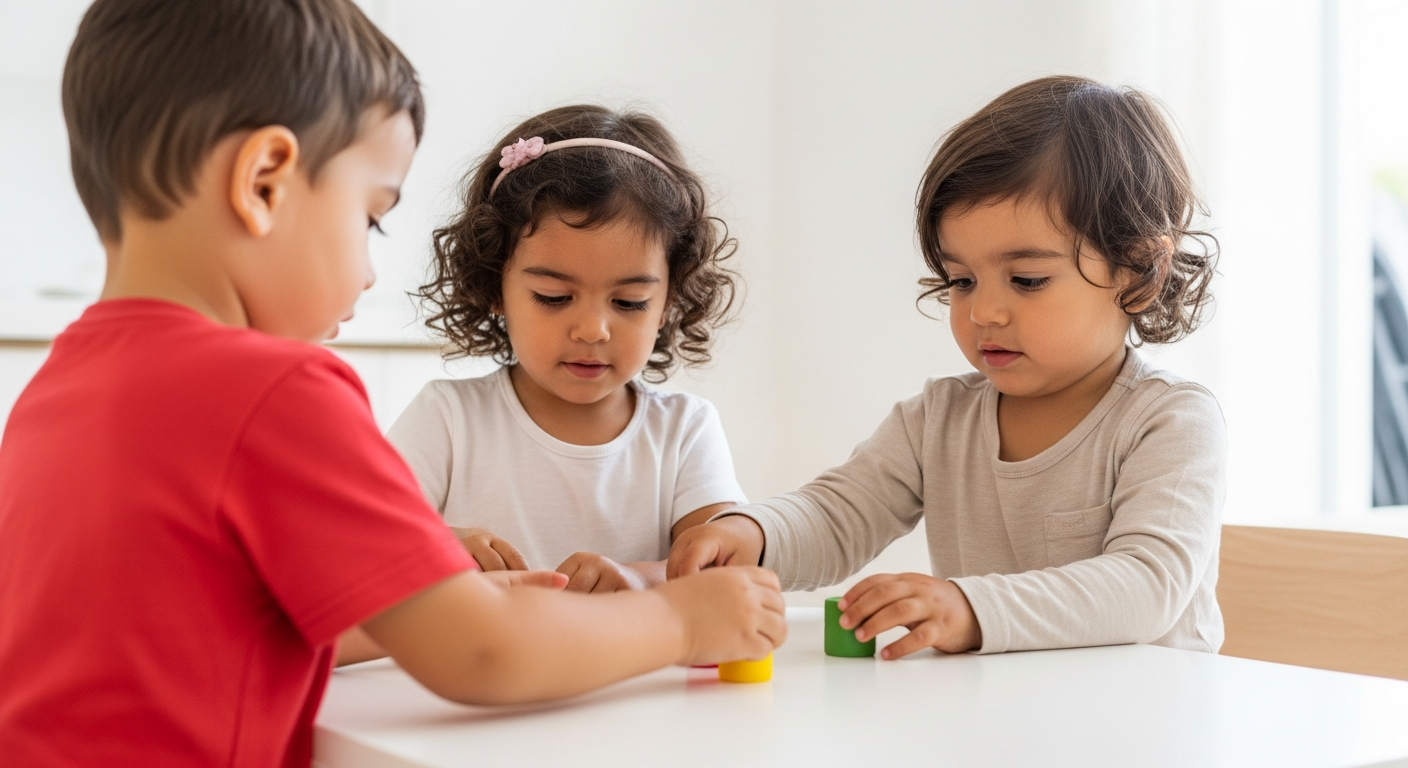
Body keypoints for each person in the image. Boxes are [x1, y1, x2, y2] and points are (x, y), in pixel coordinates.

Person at [0, 2, 783, 765]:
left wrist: (431, 587)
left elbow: (258, 627)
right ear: (265, 181)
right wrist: (680, 623)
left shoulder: (55, 393)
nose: (371, 268)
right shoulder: (278, 392)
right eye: (369, 216)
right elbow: (480, 654)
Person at [669, 75, 1224, 660]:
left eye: (1027, 280)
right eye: (961, 280)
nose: (983, 311)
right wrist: (752, 534)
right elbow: (837, 516)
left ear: (1140, 273)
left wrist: (968, 607)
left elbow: (1146, 588)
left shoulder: (1171, 421)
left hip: (1144, 729)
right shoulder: (938, 419)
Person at [388, 105, 745, 593]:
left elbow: (726, 567)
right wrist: (436, 545)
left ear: (669, 301)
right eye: (554, 298)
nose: (593, 330)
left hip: (636, 670)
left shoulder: (684, 431)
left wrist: (638, 579)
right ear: (495, 286)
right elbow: (359, 544)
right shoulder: (447, 419)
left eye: (629, 302)